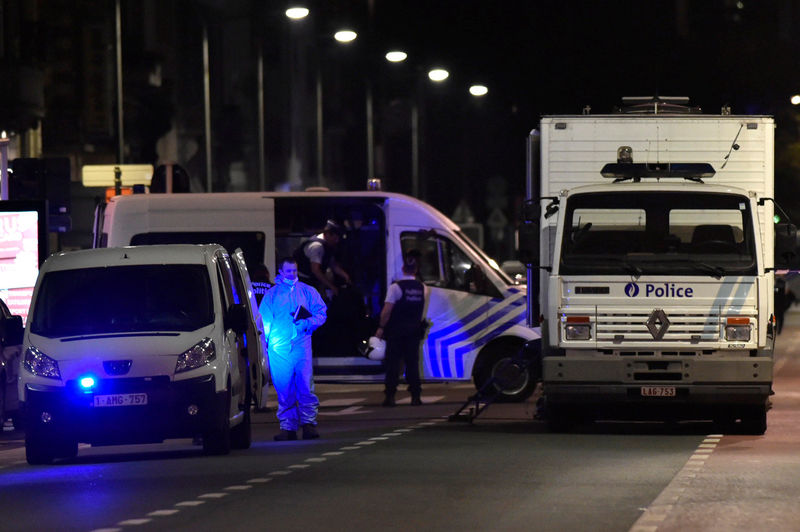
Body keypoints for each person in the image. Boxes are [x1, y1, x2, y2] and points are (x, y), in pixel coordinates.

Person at [259, 257, 327, 440]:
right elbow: (263, 321)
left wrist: (307, 323)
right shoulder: (272, 295)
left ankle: (309, 424)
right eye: (289, 271)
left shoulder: (307, 291)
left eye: (295, 271)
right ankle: (288, 428)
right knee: (284, 387)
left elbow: (321, 313)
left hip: (301, 344)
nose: (292, 274)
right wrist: (264, 343)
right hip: (278, 348)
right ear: (281, 272)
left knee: (305, 385)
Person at [375, 254, 427, 407]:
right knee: (412, 364)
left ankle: (390, 396)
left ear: (403, 268)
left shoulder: (395, 287)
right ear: (416, 270)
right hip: (414, 331)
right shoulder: (422, 288)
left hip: (396, 331)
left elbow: (386, 311)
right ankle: (416, 396)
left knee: (393, 364)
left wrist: (381, 328)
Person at [293, 220, 352, 300]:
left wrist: (345, 275)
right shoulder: (317, 247)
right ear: (328, 234)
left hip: (313, 281)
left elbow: (332, 264)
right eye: (335, 238)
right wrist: (332, 287)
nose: (337, 241)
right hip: (303, 282)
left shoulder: (327, 246)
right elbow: (315, 270)